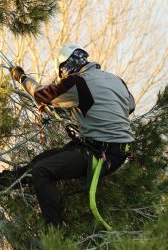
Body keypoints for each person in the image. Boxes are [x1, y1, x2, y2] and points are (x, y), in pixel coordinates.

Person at [8, 43, 135, 228]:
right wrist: (77, 108)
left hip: (99, 153)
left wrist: (21, 77)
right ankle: (1, 182)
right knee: (40, 160)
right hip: (115, 151)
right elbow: (129, 106)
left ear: (65, 67)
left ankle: (55, 236)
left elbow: (40, 94)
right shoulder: (117, 80)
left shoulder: (76, 81)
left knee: (42, 171)